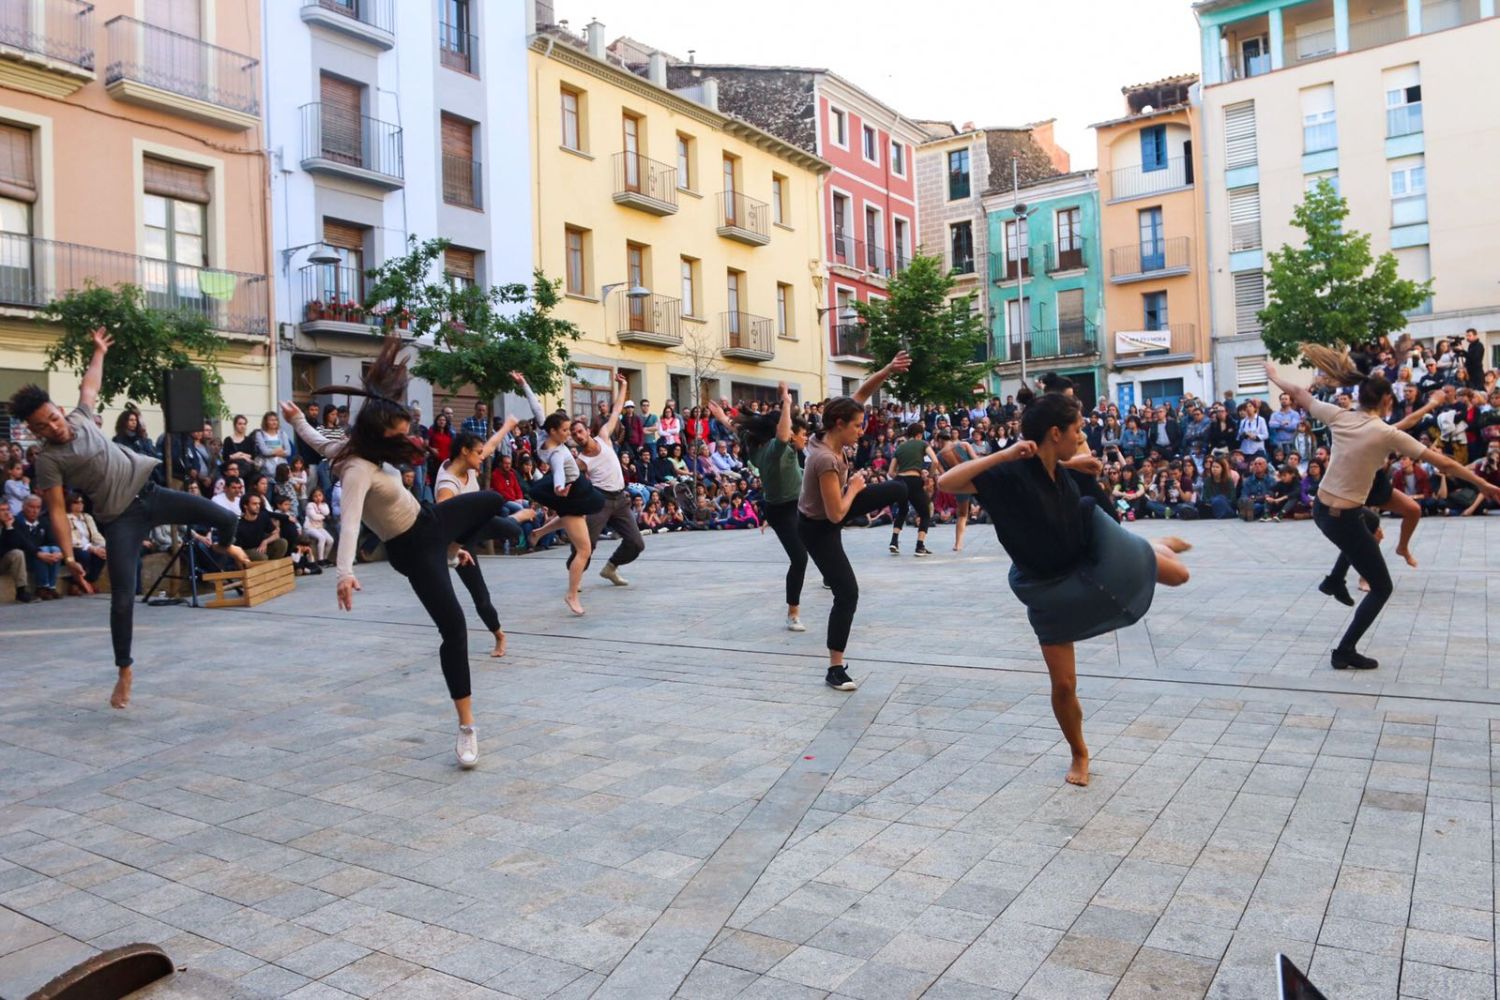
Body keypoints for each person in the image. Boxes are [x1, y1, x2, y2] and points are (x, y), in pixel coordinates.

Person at [285, 335, 524, 768]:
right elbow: (352, 520)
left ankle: (461, 547)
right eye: (400, 434)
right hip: (413, 550)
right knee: (454, 629)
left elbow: (319, 443)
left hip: (432, 522)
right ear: (380, 434)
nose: (407, 439)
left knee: (491, 502)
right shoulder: (357, 469)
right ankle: (467, 728)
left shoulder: (356, 450)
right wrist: (342, 572)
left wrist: (297, 419)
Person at [939, 391, 1191, 786]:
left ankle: (1157, 546)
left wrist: (1075, 463)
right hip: (1048, 586)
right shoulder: (1007, 476)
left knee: (1180, 576)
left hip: (1092, 552)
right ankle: (1079, 752)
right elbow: (946, 481)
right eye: (1077, 430)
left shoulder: (1064, 464)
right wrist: (1004, 454)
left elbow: (1061, 469)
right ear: (1055, 432)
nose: (1082, 435)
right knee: (1064, 684)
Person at [9, 327, 248, 708]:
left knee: (223, 516)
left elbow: (90, 386)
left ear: (57, 409)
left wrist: (99, 351)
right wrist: (70, 557)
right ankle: (124, 671)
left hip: (150, 494)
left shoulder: (82, 417)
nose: (52, 427)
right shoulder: (49, 461)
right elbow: (55, 509)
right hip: (120, 520)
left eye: (52, 417)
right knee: (122, 599)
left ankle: (225, 546)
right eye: (41, 427)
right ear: (34, 431)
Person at [1266, 348, 1500, 670]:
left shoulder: (1338, 414)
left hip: (1322, 508)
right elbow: (1444, 462)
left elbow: (1298, 393)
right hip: (1341, 519)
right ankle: (1344, 651)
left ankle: (1334, 580)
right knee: (1382, 587)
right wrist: (1484, 486)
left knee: (1372, 519)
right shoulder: (1386, 433)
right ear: (1387, 401)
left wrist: (1274, 375)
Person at [797, 352, 911, 692]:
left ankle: (893, 520)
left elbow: (859, 393)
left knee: (900, 487)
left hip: (834, 506)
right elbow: (835, 515)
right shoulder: (825, 458)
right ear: (839, 425)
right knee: (847, 593)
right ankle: (835, 669)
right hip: (819, 528)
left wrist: (889, 370)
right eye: (857, 426)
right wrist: (857, 486)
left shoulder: (826, 431)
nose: (861, 431)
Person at [709, 381, 811, 631]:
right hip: (782, 510)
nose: (805, 438)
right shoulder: (772, 452)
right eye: (802, 434)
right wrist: (785, 402)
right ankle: (793, 613)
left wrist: (723, 417)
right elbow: (783, 434)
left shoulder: (757, 443)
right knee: (799, 558)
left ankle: (831, 576)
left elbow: (737, 428)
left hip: (798, 503)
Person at [531, 374, 646, 590]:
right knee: (586, 544)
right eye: (573, 434)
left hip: (620, 499)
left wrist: (624, 385)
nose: (578, 436)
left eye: (580, 431)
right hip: (600, 501)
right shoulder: (580, 460)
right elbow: (563, 472)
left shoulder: (604, 436)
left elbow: (617, 410)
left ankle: (611, 567)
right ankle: (575, 574)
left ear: (588, 431)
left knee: (636, 543)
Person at [435, 421, 534, 658]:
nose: (483, 458)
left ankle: (516, 518)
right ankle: (499, 634)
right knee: (480, 596)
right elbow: (444, 523)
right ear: (465, 451)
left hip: (477, 525)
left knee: (512, 529)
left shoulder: (467, 463)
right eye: (478, 454)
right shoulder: (447, 486)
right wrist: (454, 550)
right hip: (460, 540)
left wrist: (507, 426)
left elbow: (489, 446)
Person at [511, 373, 607, 616]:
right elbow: (558, 474)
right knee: (584, 549)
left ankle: (539, 531)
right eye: (565, 430)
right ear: (553, 431)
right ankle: (572, 595)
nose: (568, 434)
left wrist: (524, 384)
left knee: (578, 519)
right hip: (571, 491)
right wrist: (559, 489)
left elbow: (535, 406)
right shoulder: (558, 454)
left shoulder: (543, 433)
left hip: (572, 489)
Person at [887, 422, 942, 557]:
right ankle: (920, 546)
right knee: (925, 513)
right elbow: (935, 461)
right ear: (919, 434)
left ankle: (894, 541)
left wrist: (900, 478)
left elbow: (890, 471)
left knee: (903, 510)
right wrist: (929, 475)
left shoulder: (900, 447)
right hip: (914, 481)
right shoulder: (923, 444)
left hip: (900, 481)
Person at [302, 486, 334, 564]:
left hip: (319, 527)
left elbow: (327, 512)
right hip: (309, 527)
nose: (318, 498)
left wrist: (320, 506)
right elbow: (314, 516)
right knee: (322, 538)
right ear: (312, 498)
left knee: (330, 540)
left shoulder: (324, 505)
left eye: (320, 495)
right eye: (315, 496)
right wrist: (323, 517)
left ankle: (325, 558)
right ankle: (320, 559)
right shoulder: (310, 505)